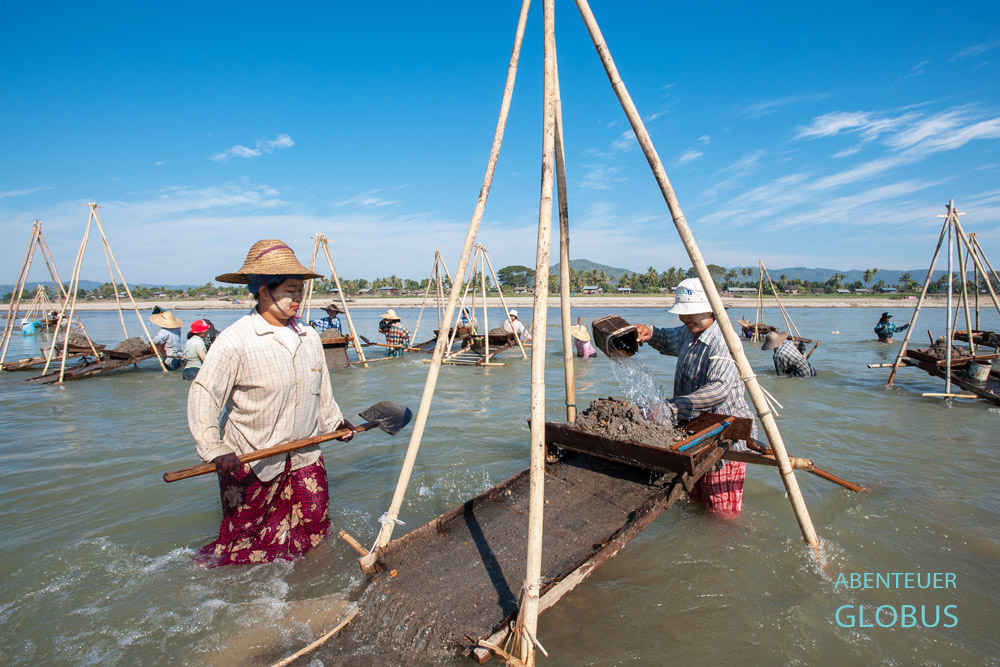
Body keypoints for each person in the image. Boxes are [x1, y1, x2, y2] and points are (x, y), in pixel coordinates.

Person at [187, 239, 356, 566]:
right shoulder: (235, 340)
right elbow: (205, 393)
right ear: (264, 291)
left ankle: (310, 585)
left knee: (315, 529)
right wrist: (214, 448)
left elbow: (320, 389)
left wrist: (335, 423)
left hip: (305, 454)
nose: (298, 299)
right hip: (251, 457)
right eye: (290, 291)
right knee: (243, 540)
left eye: (300, 291)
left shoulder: (308, 337)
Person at [634, 278, 757, 515]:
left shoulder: (723, 339)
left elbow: (718, 388)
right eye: (683, 313)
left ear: (711, 308)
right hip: (696, 433)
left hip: (725, 433)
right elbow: (666, 338)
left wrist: (670, 408)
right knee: (696, 503)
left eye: (692, 314)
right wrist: (649, 332)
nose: (685, 319)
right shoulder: (687, 333)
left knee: (722, 512)